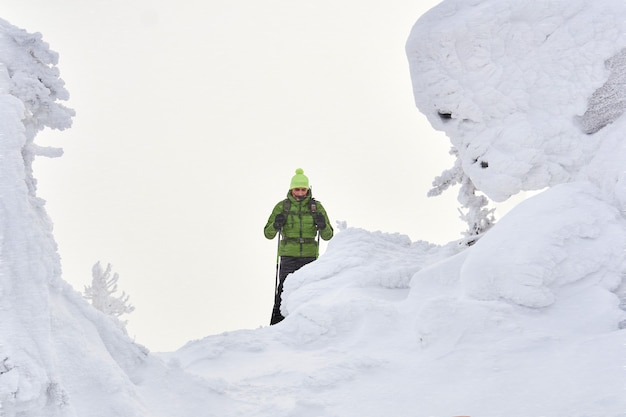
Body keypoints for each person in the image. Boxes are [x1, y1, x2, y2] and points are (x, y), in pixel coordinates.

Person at [264, 168, 333, 325]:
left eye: (303, 189)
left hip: (309, 257)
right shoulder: (282, 207)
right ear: (291, 189)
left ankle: (303, 326)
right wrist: (276, 224)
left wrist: (322, 225)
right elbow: (268, 234)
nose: (300, 193)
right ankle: (276, 327)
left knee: (307, 292)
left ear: (308, 189)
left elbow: (328, 236)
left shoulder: (316, 208)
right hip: (288, 256)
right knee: (283, 294)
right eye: (297, 189)